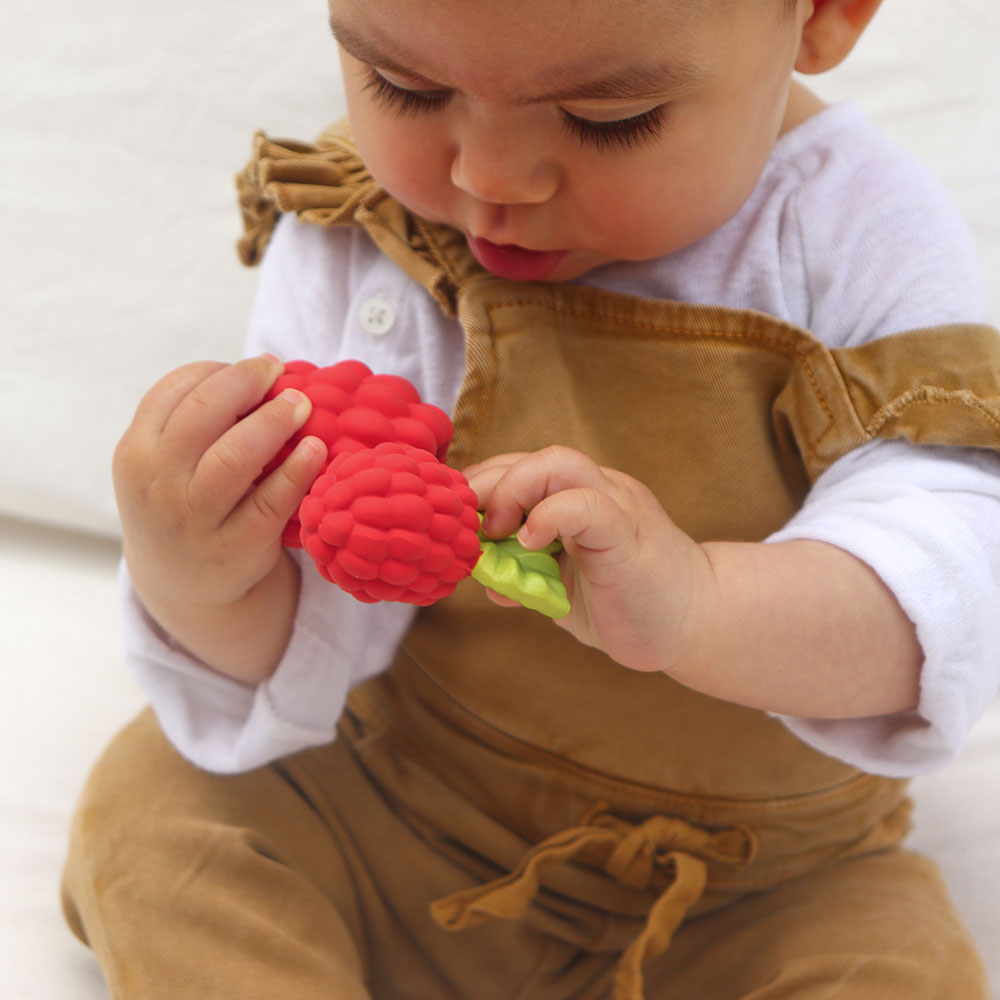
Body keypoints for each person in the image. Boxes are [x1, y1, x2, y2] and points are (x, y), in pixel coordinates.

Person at [62, 0, 1000, 997]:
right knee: (155, 814)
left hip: (758, 878)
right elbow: (309, 637)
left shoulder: (857, 232)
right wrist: (200, 580)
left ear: (818, 16)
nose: (486, 180)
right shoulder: (367, 226)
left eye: (607, 119)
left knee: (894, 971)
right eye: (407, 89)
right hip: (410, 798)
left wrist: (699, 604)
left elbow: (953, 568)